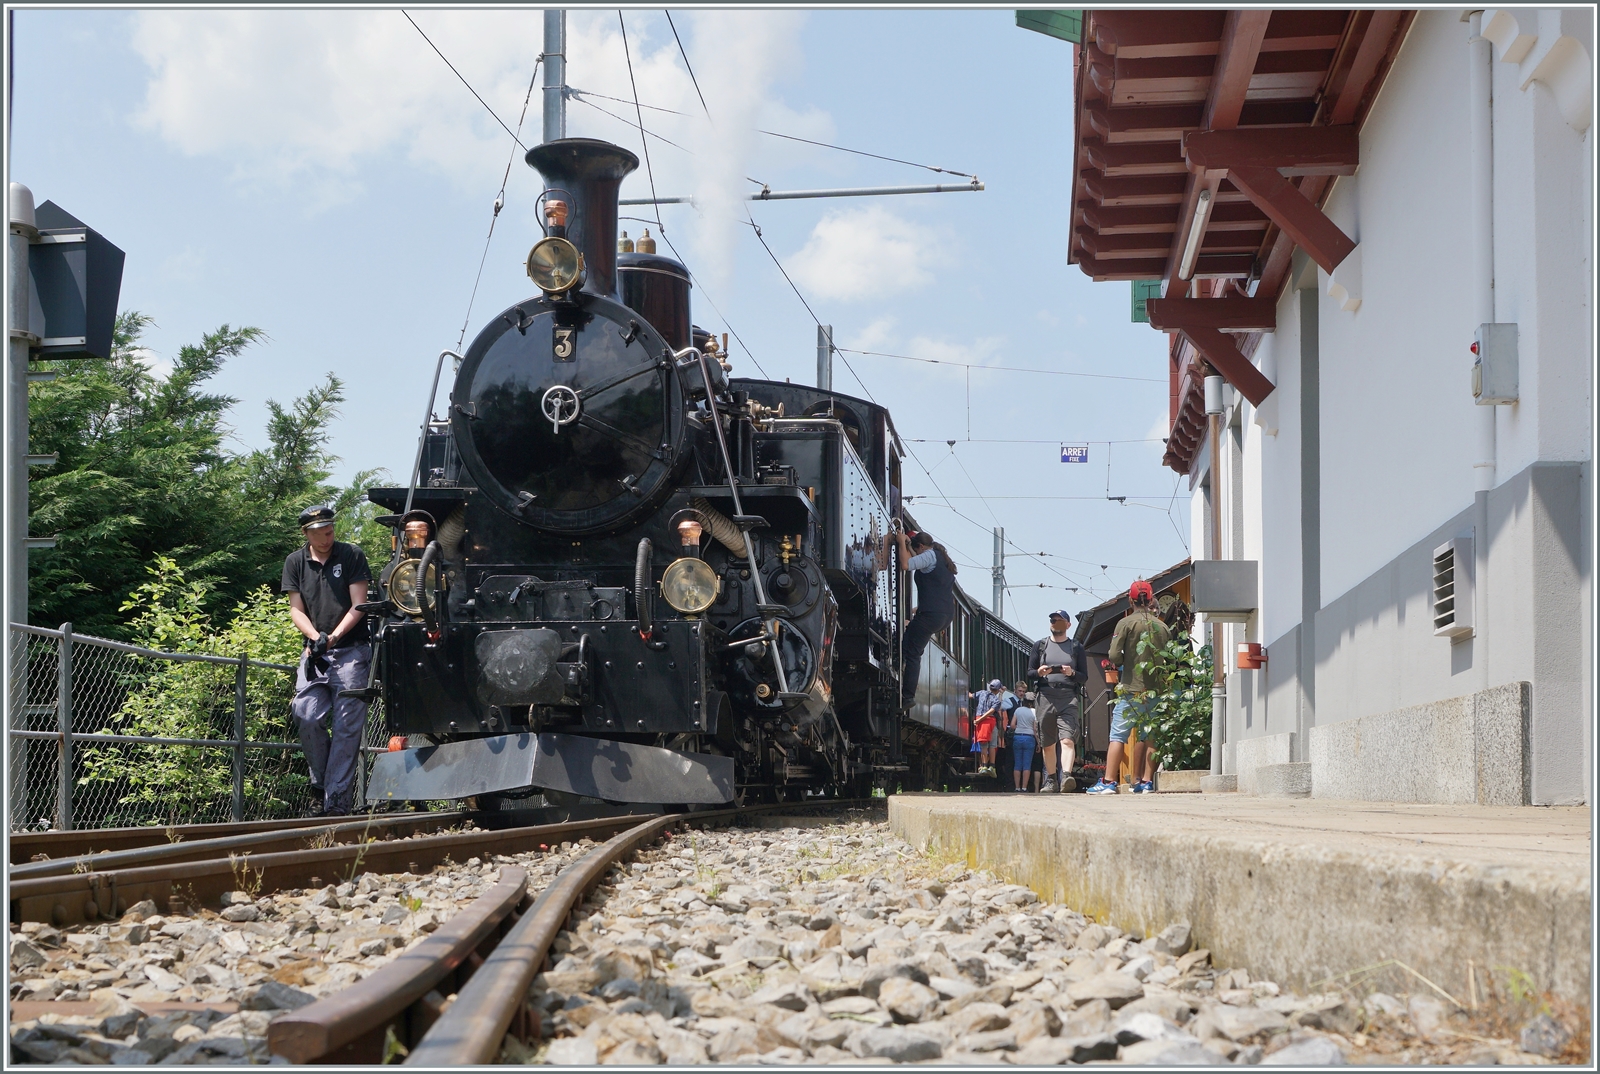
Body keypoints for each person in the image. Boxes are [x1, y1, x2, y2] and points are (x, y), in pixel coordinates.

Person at [282, 503, 373, 817]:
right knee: (305, 713)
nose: (326, 539)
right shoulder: (295, 562)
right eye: (319, 534)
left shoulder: (350, 555)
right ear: (306, 533)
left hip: (352, 651)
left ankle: (335, 802)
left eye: (330, 531)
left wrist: (333, 636)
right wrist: (314, 638)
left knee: (347, 728)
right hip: (315, 654)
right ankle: (320, 784)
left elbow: (359, 604)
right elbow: (296, 608)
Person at [1088, 580, 1173, 795]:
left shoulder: (1124, 624)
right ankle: (1146, 782)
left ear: (1130, 600)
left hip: (1130, 689)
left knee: (1118, 735)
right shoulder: (1162, 626)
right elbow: (1169, 660)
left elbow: (1114, 656)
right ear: (1152, 599)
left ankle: (1108, 782)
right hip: (1156, 690)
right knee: (1151, 736)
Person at [894, 528, 957, 709]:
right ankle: (907, 685)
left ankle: (907, 696)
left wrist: (900, 542)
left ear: (921, 546)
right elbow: (917, 561)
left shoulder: (929, 556)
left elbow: (906, 565)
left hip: (931, 615)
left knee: (911, 652)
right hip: (944, 615)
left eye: (916, 549)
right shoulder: (940, 559)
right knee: (911, 645)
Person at [1028, 610, 1087, 793]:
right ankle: (1051, 780)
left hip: (1068, 697)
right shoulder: (1040, 645)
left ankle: (1067, 776)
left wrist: (1071, 673)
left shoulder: (1076, 647)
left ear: (1068, 625)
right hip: (1045, 696)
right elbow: (1029, 672)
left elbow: (1084, 677)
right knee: (1048, 743)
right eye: (1053, 620)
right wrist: (1039, 672)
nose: (1056, 623)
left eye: (1060, 621)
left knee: (1067, 739)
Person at [971, 678, 1014, 778]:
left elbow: (971, 695)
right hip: (993, 723)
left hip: (983, 722)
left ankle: (984, 766)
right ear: (998, 689)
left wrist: (979, 720)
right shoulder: (997, 700)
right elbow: (997, 708)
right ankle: (992, 767)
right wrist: (1002, 693)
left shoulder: (981, 693)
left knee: (983, 745)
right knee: (992, 745)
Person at [1009, 681, 1039, 791]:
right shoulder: (1034, 712)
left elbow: (1012, 725)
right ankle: (1024, 787)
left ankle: (1017, 787)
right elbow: (1035, 729)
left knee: (1017, 764)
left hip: (1017, 737)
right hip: (1029, 738)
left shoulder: (1018, 710)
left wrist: (1020, 728)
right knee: (1027, 764)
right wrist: (1038, 742)